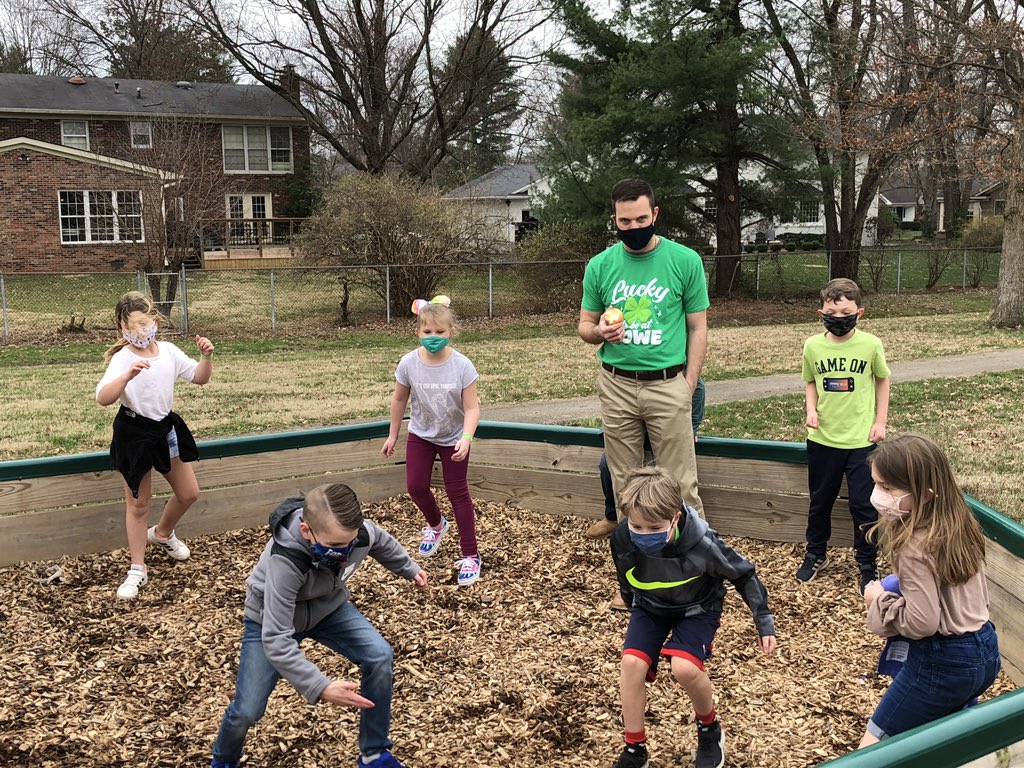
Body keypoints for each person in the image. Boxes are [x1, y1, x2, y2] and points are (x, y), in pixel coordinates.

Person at [210, 483, 428, 768]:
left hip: (328, 608)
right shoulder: (286, 560)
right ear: (306, 531)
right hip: (271, 618)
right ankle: (224, 760)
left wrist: (408, 568)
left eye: (349, 542)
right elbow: (276, 638)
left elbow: (380, 540)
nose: (345, 552)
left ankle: (374, 752)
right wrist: (320, 686)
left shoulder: (357, 534)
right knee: (247, 710)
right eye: (336, 546)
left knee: (379, 654)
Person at [610, 467, 776, 768]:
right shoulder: (623, 538)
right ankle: (635, 749)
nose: (643, 535)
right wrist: (633, 602)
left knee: (684, 668)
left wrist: (763, 620)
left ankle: (709, 729)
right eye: (637, 527)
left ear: (675, 517)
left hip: (698, 608)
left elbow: (744, 574)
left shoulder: (703, 544)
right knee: (631, 663)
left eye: (654, 527)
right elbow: (626, 575)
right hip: (650, 606)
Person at [579, 179, 709, 522]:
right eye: (625, 222)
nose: (633, 227)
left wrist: (688, 385)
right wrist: (600, 333)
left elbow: (698, 327)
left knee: (680, 482)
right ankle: (635, 556)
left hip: (668, 383)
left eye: (640, 219)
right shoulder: (600, 265)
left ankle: (694, 558)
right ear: (615, 220)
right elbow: (584, 326)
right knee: (625, 482)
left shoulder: (685, 260)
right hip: (617, 384)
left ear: (654, 214)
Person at [858, 433, 1000, 748]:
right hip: (986, 651)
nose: (877, 495)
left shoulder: (913, 546)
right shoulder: (958, 522)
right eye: (875, 484)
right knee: (948, 735)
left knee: (874, 748)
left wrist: (879, 600)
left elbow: (922, 623)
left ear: (925, 495)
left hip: (944, 662)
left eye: (887, 488)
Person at [95, 291, 214, 600]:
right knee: (139, 504)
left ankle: (162, 534)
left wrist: (206, 357)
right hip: (133, 435)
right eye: (131, 326)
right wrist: (126, 377)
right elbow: (103, 398)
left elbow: (199, 378)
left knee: (189, 493)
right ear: (122, 329)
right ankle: (137, 569)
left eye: (143, 323)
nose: (139, 331)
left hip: (164, 430)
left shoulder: (170, 351)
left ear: (154, 321)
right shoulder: (123, 358)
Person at [798, 277, 890, 594]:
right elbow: (810, 381)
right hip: (823, 440)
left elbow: (882, 380)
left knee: (865, 506)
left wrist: (880, 421)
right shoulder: (812, 346)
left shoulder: (870, 345)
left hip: (862, 442)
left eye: (846, 313)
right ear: (820, 313)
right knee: (820, 502)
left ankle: (867, 563)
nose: (839, 320)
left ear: (859, 312)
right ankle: (816, 554)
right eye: (832, 314)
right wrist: (811, 409)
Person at [381, 299, 482, 586]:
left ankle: (471, 555)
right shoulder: (409, 363)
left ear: (451, 332)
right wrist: (393, 435)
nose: (433, 338)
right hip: (421, 434)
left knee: (458, 494)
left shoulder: (462, 365)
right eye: (427, 332)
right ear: (418, 332)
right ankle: (437, 525)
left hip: (454, 438)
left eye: (439, 332)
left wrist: (466, 438)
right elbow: (399, 399)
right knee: (415, 486)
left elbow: (472, 408)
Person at [587, 376, 707, 542]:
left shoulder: (673, 366)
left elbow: (696, 389)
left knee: (667, 479)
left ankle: (675, 534)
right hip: (636, 435)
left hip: (664, 431)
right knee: (607, 466)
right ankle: (613, 517)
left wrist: (692, 428)